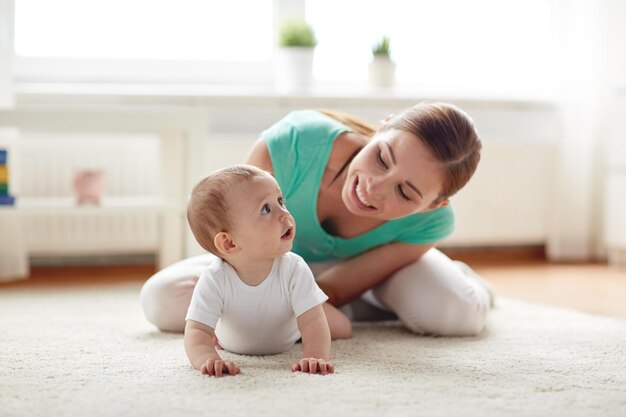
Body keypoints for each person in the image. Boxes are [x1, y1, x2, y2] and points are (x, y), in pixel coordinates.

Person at [141, 102, 493, 339]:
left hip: (369, 274)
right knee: (162, 299)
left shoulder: (432, 223)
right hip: (267, 261)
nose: (374, 187)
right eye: (382, 159)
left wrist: (288, 312)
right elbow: (240, 241)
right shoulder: (292, 145)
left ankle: (461, 280)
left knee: (457, 314)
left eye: (405, 192)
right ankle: (365, 310)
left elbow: (338, 289)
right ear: (381, 129)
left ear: (434, 205)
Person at [183, 165, 348, 377]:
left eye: (281, 201)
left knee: (342, 328)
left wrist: (316, 356)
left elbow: (313, 321)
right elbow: (197, 331)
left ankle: (327, 310)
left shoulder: (294, 268)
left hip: (289, 336)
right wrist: (208, 359)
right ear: (229, 243)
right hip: (230, 343)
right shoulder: (214, 278)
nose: (285, 214)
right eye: (266, 209)